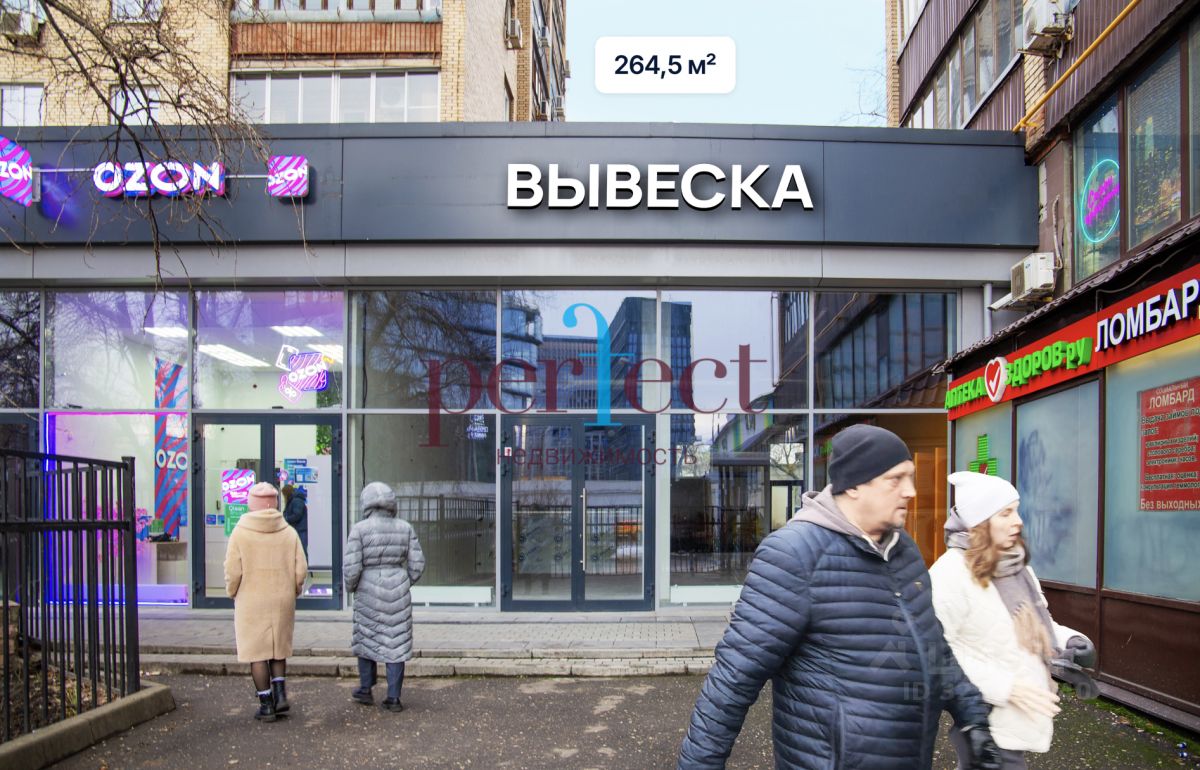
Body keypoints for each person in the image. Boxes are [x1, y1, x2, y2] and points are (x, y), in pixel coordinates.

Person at [678, 424, 1002, 770]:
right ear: (855, 485)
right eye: (895, 479)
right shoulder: (795, 554)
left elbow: (931, 644)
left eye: (910, 477)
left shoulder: (903, 550)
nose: (910, 491)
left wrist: (973, 718)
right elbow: (734, 677)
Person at [930, 471, 1097, 770]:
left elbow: (1038, 624)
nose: (1018, 521)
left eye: (1016, 510)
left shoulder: (1017, 568)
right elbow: (938, 652)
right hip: (984, 720)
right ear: (980, 522)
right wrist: (1006, 688)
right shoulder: (950, 573)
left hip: (1014, 721)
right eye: (1006, 513)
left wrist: (1070, 639)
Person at [224, 481, 307, 722]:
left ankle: (266, 704)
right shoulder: (288, 532)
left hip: (251, 599)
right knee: (278, 648)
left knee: (257, 652)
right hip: (282, 598)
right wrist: (293, 589)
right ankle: (281, 695)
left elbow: (233, 571)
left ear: (252, 504)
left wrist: (232, 591)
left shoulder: (240, 532)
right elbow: (301, 569)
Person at [343, 481, 426, 712]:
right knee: (396, 642)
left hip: (367, 589)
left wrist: (352, 586)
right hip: (398, 589)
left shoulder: (359, 529)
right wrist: (404, 581)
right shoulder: (405, 527)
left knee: (366, 636)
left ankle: (366, 688)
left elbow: (351, 567)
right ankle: (393, 697)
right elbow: (418, 564)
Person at [281, 483, 309, 559]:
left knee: (302, 550)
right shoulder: (294, 500)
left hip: (300, 529)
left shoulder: (296, 501)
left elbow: (297, 515)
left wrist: (287, 518)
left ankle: (304, 565)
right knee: (300, 550)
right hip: (298, 529)